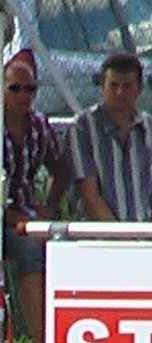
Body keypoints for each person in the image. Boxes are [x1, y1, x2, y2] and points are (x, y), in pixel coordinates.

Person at [0, 49, 69, 343]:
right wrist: (18, 219)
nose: (23, 96)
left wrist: (49, 205)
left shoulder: (40, 125)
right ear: (0, 89)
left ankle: (67, 335)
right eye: (15, 88)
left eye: (30, 89)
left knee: (67, 245)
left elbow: (60, 170)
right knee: (30, 250)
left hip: (29, 213)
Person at [67, 52, 152, 222]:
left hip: (144, 230)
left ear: (139, 88)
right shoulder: (82, 127)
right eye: (114, 85)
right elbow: (89, 194)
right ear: (102, 86)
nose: (120, 92)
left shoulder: (149, 126)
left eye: (127, 86)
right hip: (97, 232)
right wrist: (118, 233)